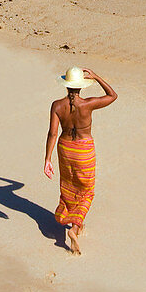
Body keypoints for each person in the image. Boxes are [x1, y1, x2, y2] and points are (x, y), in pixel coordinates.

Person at [44, 65, 117, 255]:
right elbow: (112, 95)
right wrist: (96, 76)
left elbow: (52, 133)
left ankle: (73, 221)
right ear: (82, 86)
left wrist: (47, 159)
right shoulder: (88, 104)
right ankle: (75, 227)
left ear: (66, 86)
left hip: (65, 149)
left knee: (69, 185)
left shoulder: (57, 105)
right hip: (84, 150)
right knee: (87, 190)